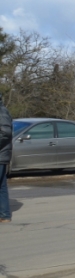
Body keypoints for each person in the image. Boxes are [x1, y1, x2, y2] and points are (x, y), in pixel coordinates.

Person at [0, 93, 11, 223]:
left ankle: (4, 214)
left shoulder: (1, 111)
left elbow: (5, 133)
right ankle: (4, 215)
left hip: (1, 154)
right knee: (2, 186)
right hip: (2, 155)